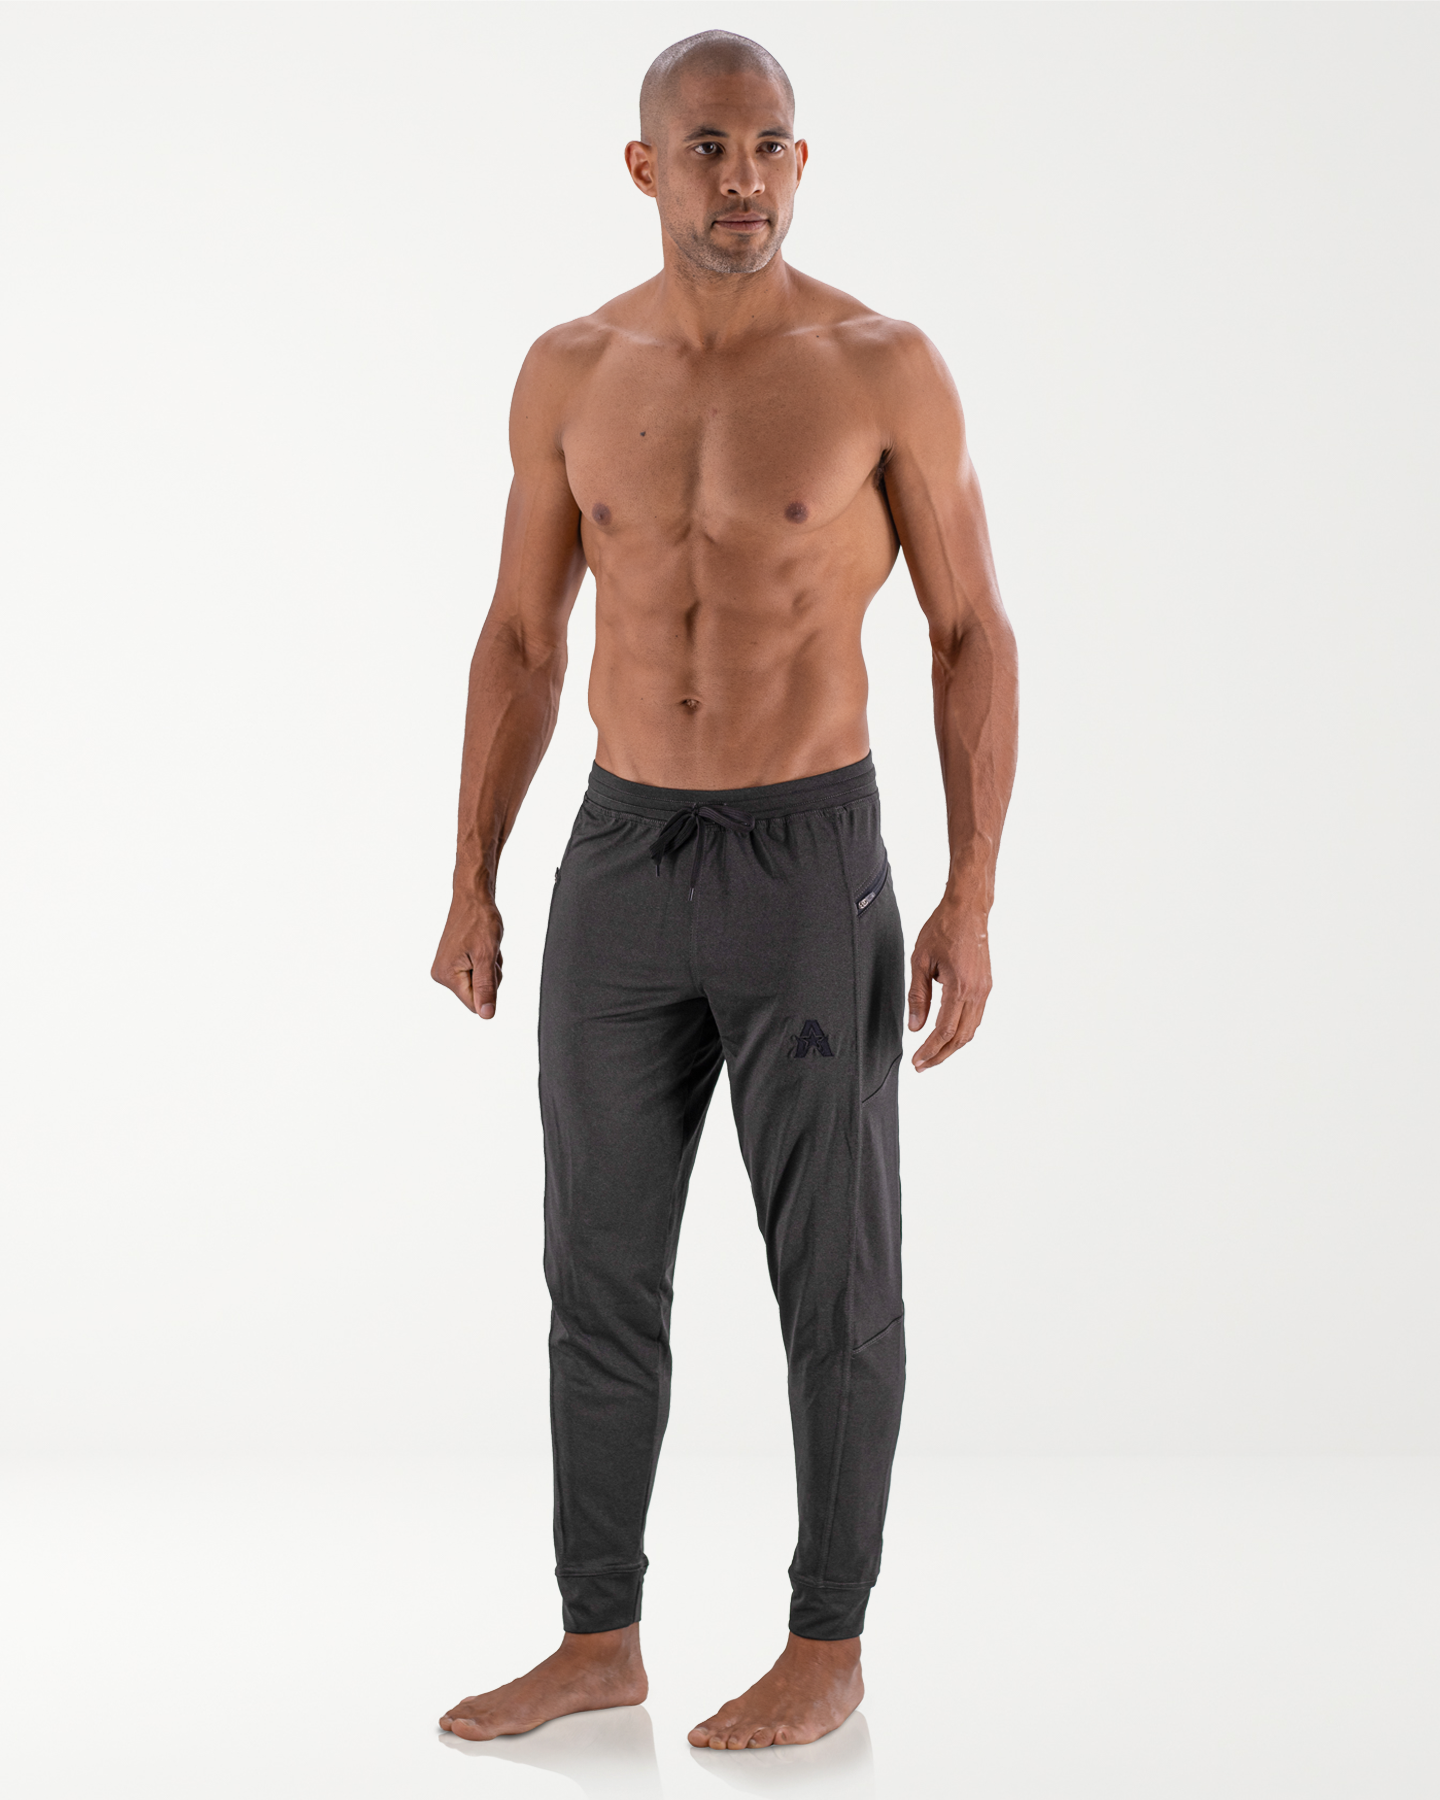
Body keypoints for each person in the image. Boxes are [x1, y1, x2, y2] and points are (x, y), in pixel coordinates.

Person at [431, 29, 1018, 1752]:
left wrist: (972, 893)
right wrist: (469, 874)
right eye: (707, 147)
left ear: (800, 160)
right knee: (597, 1270)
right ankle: (597, 1637)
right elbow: (523, 637)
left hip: (806, 862)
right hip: (621, 858)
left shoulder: (880, 367)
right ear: (646, 167)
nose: (743, 177)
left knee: (835, 1278)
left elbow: (971, 633)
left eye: (770, 145)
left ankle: (828, 1647)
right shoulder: (568, 369)